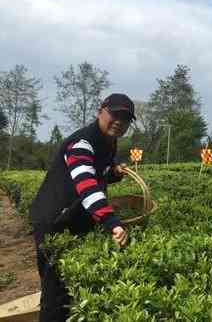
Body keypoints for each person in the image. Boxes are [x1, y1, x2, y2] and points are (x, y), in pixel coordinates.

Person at [29, 93, 136, 321]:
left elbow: (97, 174)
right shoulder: (82, 142)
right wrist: (112, 223)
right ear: (101, 111)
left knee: (70, 288)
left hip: (73, 217)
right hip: (53, 220)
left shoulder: (108, 141)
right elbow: (87, 186)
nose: (119, 121)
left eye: (125, 118)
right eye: (114, 114)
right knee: (55, 289)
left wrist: (113, 173)